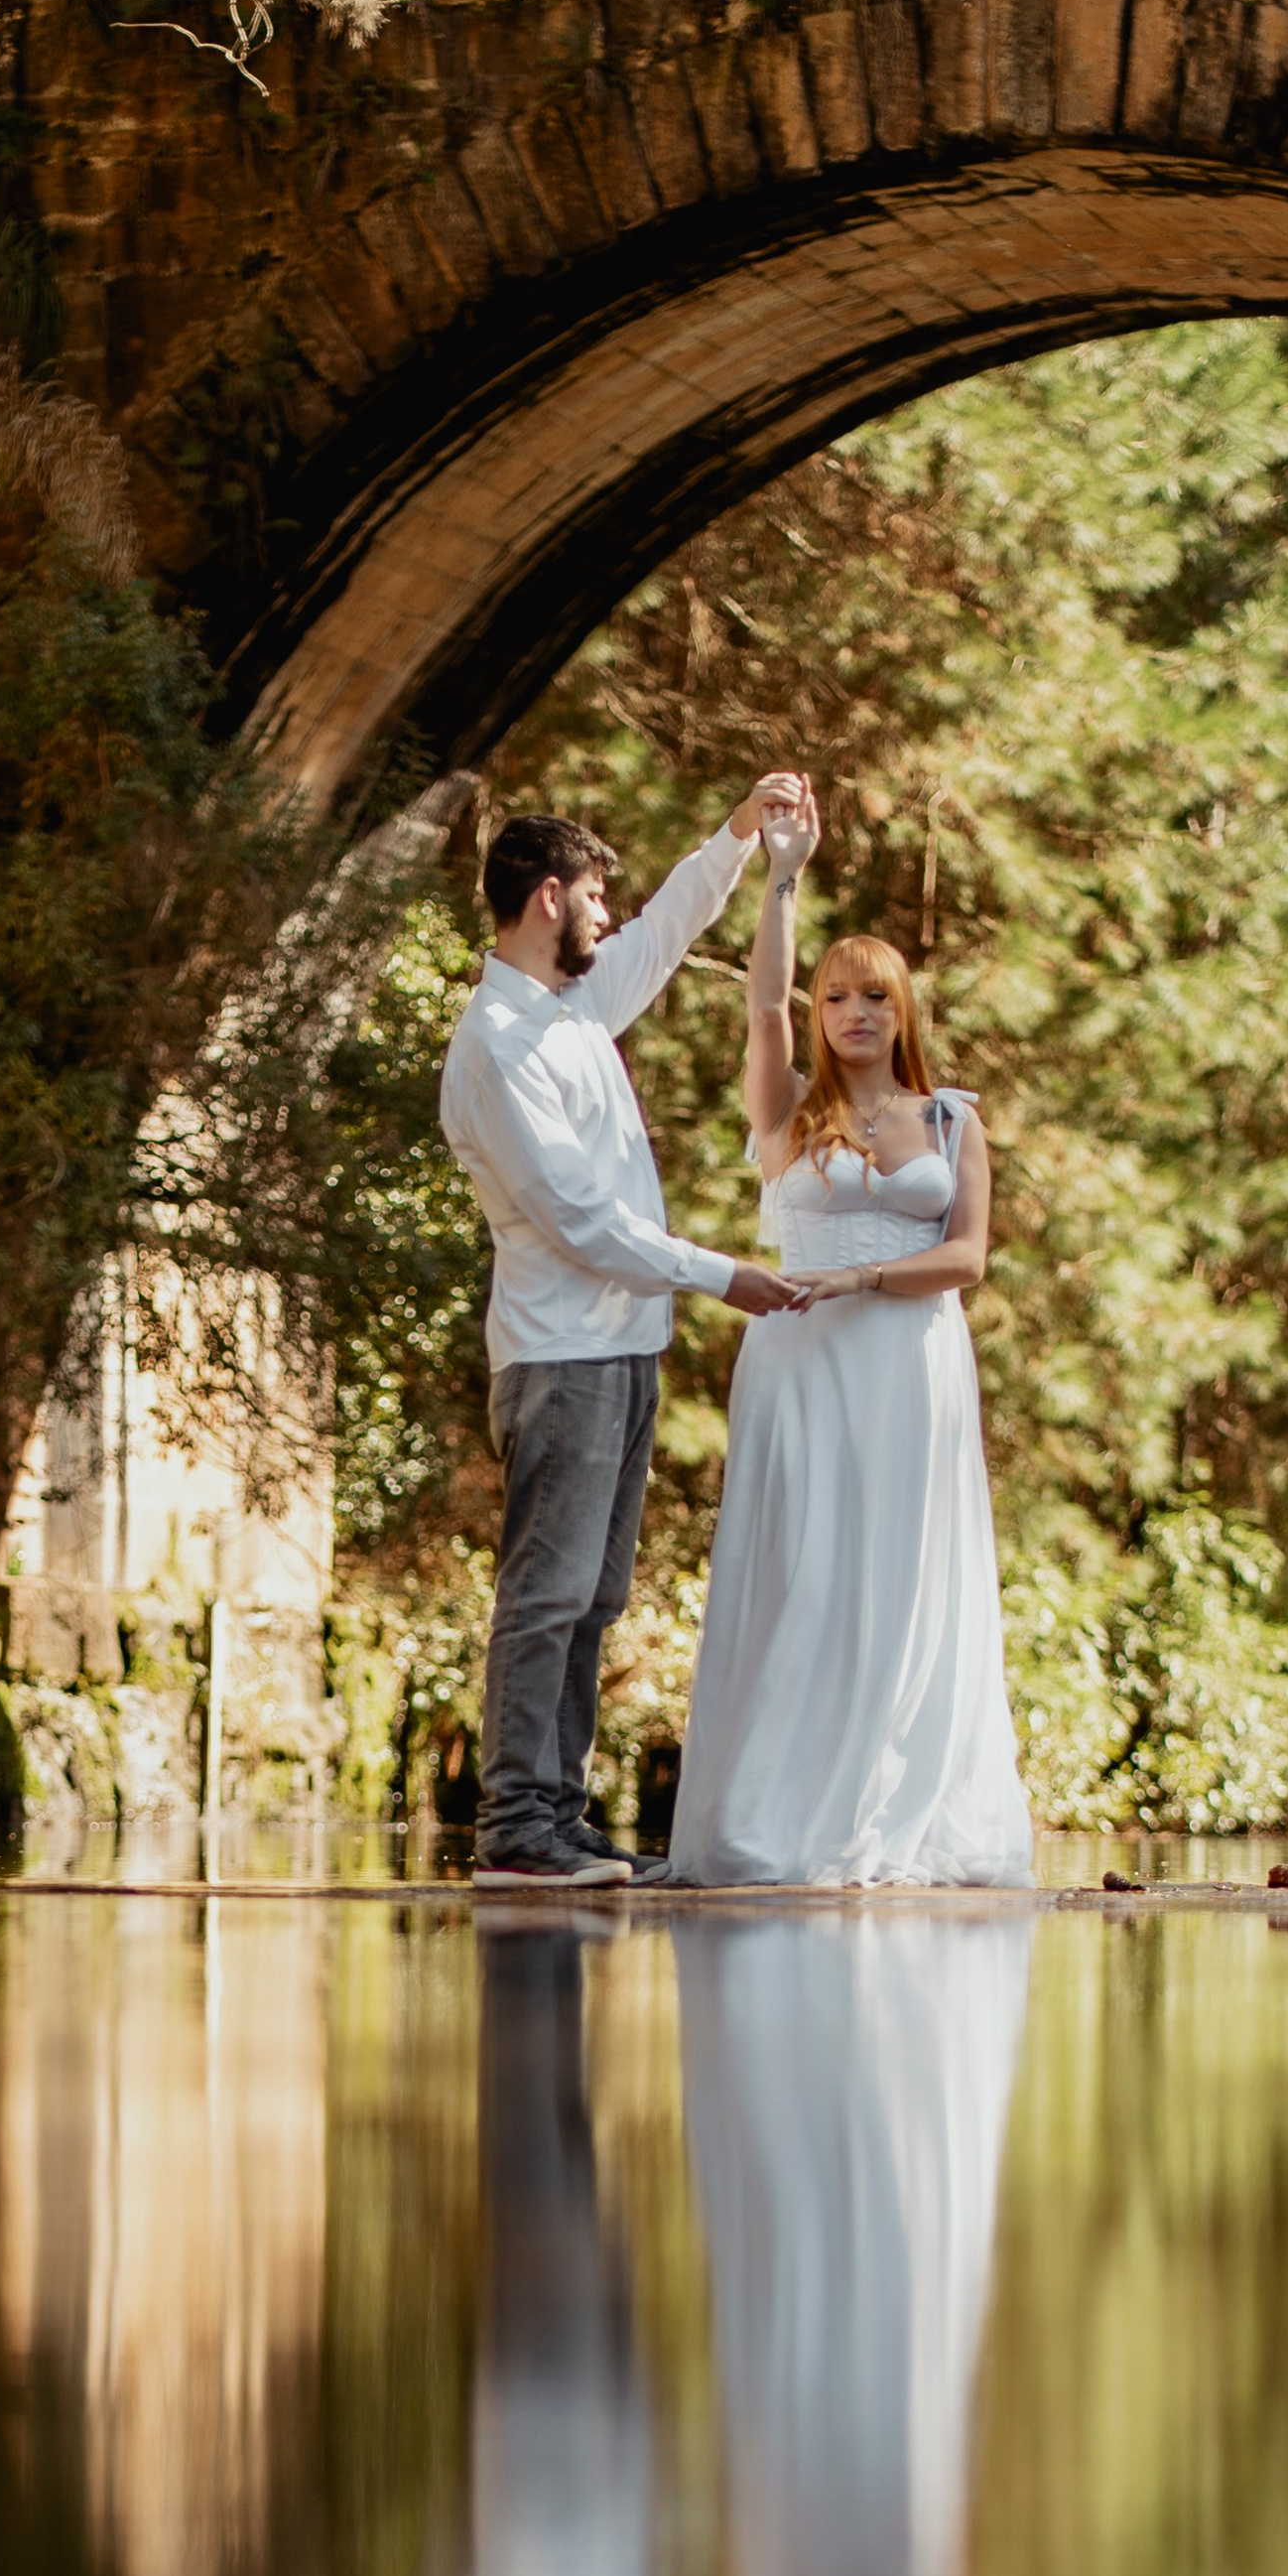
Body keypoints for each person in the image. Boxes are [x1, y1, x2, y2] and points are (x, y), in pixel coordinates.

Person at [661, 786, 1035, 1890]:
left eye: (875, 994)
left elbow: (967, 1257)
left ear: (902, 1009)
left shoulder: (952, 1121)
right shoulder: (787, 1114)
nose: (853, 1012)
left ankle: (895, 1805)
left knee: (901, 1577)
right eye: (836, 995)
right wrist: (782, 876)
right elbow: (760, 1009)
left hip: (908, 1364)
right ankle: (776, 1812)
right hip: (800, 1363)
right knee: (805, 1574)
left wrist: (865, 1276)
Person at [440, 793, 809, 1889]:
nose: (609, 913)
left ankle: (559, 1815)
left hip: (622, 1349)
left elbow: (668, 928)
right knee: (546, 1593)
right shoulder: (496, 1044)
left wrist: (738, 834)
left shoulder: (576, 1007)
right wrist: (722, 1276)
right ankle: (517, 1827)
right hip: (559, 1355)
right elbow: (579, 1222)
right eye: (595, 894)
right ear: (548, 898)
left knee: (595, 1594)